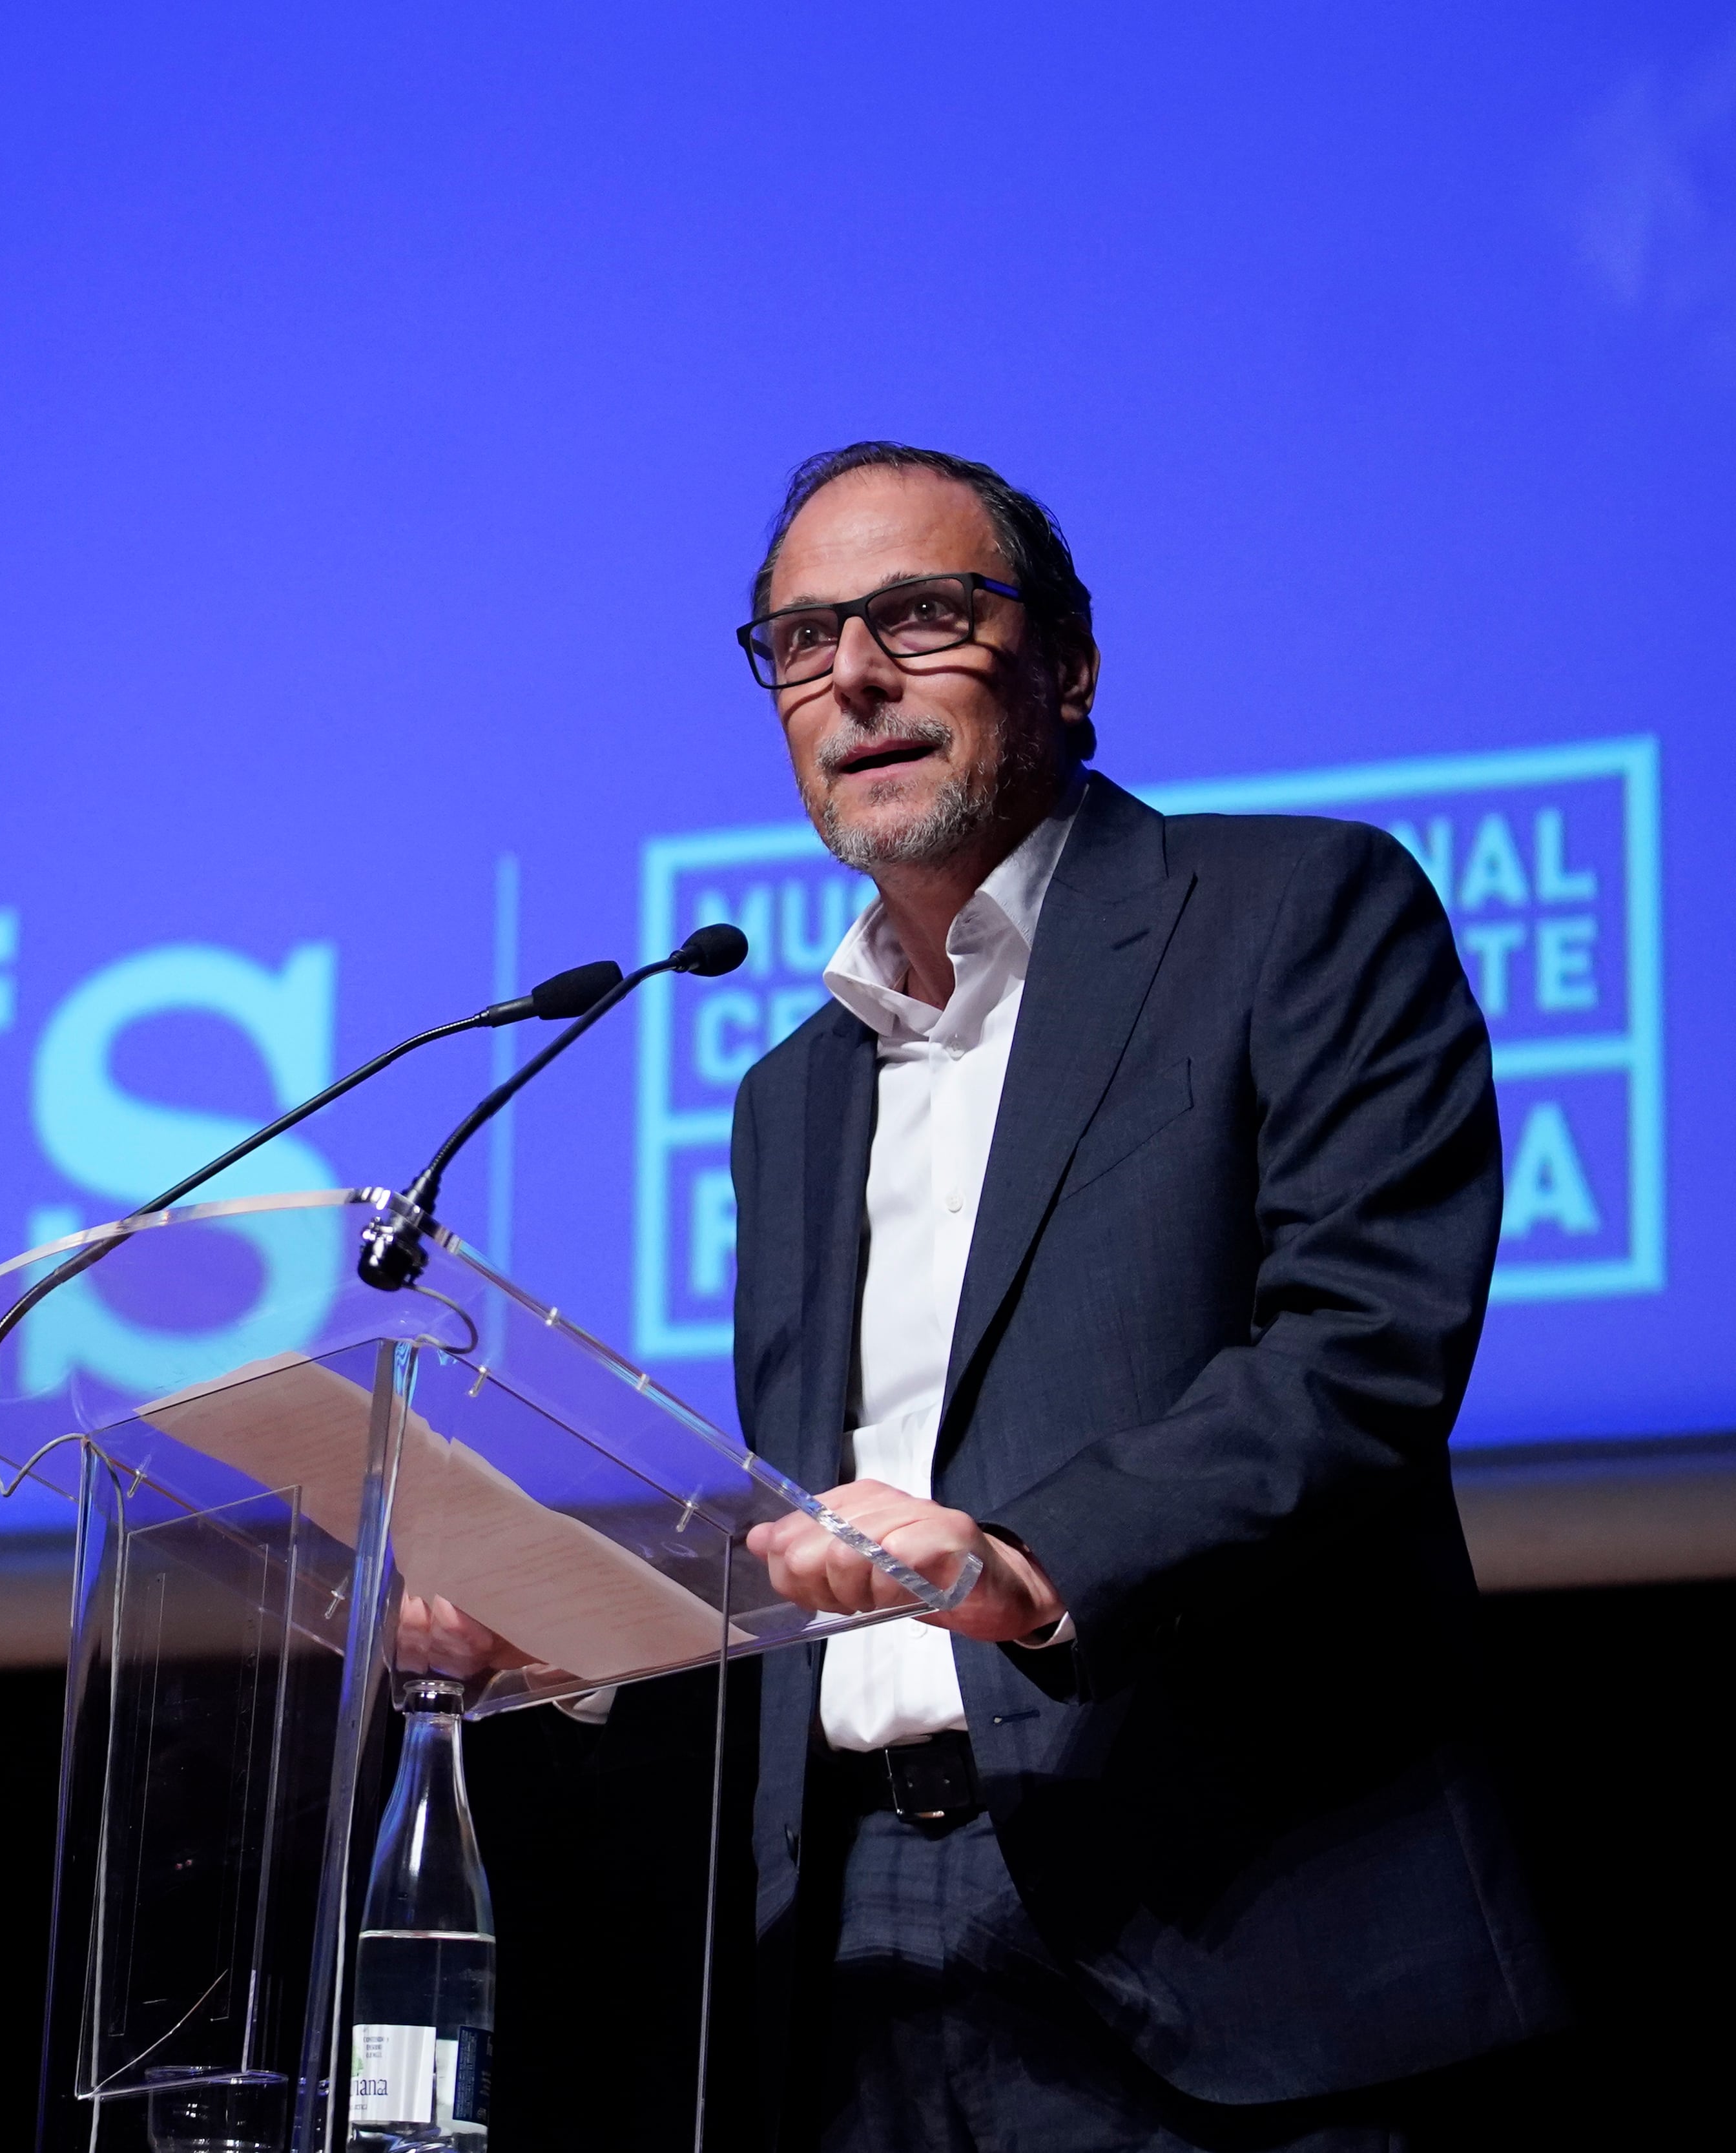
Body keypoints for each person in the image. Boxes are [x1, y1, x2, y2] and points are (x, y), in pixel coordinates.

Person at [413, 442, 1559, 2148]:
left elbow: (1358, 1358)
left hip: (1238, 1930)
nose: (854, 676)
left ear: (1070, 665)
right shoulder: (789, 1094)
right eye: (800, 643)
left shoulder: (1294, 916)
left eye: (921, 616)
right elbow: (827, 1529)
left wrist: (1029, 1561)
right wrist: (574, 1629)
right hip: (856, 1955)